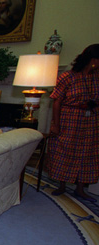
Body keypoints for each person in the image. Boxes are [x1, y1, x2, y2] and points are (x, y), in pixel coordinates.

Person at [48, 44, 99, 202]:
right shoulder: (68, 77)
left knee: (88, 153)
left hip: (91, 120)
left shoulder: (96, 78)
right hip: (70, 118)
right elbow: (57, 101)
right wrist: (56, 124)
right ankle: (62, 185)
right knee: (65, 150)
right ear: (92, 60)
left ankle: (80, 188)